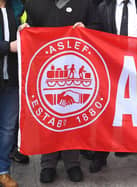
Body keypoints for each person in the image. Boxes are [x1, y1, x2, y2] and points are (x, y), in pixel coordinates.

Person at [22, 0, 101, 183]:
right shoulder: (34, 4)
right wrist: (25, 28)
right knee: (48, 118)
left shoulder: (85, 3)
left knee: (71, 117)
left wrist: (86, 28)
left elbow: (98, 26)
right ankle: (48, 164)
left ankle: (72, 163)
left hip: (74, 73)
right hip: (46, 75)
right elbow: (26, 24)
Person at [90, 0, 137, 173]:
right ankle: (100, 156)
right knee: (107, 114)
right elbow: (95, 36)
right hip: (112, 70)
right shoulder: (103, 8)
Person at [0, 0, 24, 186]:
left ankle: (3, 171)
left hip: (12, 79)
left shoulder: (16, 7)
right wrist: (8, 47)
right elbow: (11, 45)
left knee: (8, 129)